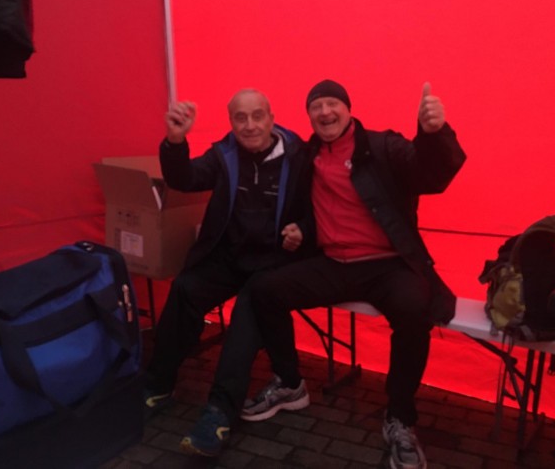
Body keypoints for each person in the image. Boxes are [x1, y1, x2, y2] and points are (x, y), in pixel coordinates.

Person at [244, 80, 466, 469]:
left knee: (415, 311)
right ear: (309, 116)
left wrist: (433, 134)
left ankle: (400, 417)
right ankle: (290, 383)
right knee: (264, 289)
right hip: (334, 263)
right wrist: (303, 230)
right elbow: (308, 209)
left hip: (387, 264)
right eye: (316, 106)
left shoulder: (382, 146)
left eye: (332, 103)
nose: (325, 112)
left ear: (348, 109)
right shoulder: (307, 156)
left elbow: (431, 177)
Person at [144, 88, 313, 456]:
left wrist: (303, 228)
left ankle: (220, 411)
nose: (249, 125)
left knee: (248, 309)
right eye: (240, 118)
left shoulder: (299, 157)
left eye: (257, 116)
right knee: (186, 288)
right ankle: (158, 384)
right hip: (228, 258)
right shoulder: (224, 154)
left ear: (271, 118)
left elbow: (319, 207)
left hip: (274, 264)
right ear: (231, 123)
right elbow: (185, 179)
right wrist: (175, 142)